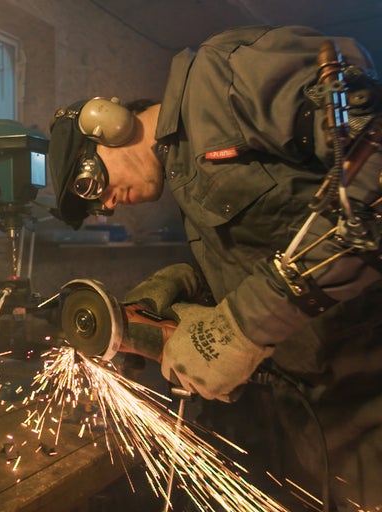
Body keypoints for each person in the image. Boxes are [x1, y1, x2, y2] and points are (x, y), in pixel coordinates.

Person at [47, 25, 382, 512]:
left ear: (110, 123)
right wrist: (184, 282)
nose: (105, 205)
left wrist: (245, 324)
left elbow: (368, 187)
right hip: (310, 413)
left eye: (88, 183)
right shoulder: (186, 176)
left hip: (367, 391)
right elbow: (268, 249)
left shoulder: (221, 76)